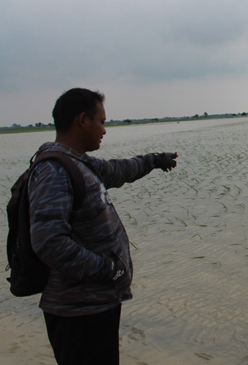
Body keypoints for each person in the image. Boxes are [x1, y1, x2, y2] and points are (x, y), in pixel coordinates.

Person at [28, 88, 178, 365]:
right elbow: (49, 242)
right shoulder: (55, 170)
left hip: (95, 305)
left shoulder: (78, 164)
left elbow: (119, 170)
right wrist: (110, 269)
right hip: (77, 311)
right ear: (83, 120)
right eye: (102, 121)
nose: (105, 130)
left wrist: (154, 161)